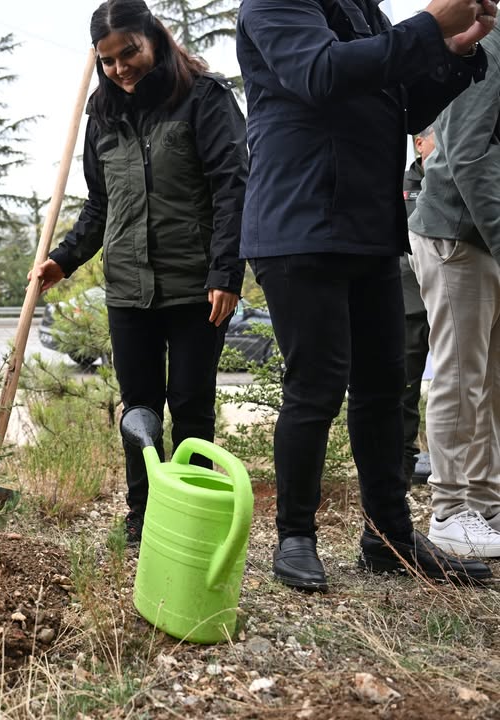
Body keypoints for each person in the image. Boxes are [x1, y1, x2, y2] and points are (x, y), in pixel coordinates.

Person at [237, 0, 496, 591]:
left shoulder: (364, 9)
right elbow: (321, 73)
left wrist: (454, 52)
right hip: (300, 223)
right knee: (317, 385)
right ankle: (296, 536)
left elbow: (400, 104)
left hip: (369, 228)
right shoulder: (274, 3)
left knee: (385, 387)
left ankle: (389, 539)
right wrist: (429, 23)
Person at [32, 0, 248, 547]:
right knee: (140, 412)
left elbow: (233, 188)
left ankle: (195, 513)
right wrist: (64, 258)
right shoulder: (102, 116)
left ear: (153, 37)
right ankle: (144, 518)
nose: (121, 67)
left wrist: (226, 270)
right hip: (128, 290)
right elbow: (100, 207)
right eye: (108, 60)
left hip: (197, 287)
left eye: (129, 51)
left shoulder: (205, 98)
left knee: (192, 404)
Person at [408, 30, 500, 558]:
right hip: (455, 235)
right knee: (461, 375)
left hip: (481, 236)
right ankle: (450, 512)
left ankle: (485, 503)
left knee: (486, 379)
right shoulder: (490, 50)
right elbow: (464, 155)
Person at [401, 127, 436, 487]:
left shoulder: (458, 180)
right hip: (409, 303)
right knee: (405, 390)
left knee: (460, 385)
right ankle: (403, 465)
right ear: (420, 143)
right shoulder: (399, 186)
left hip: (453, 297)